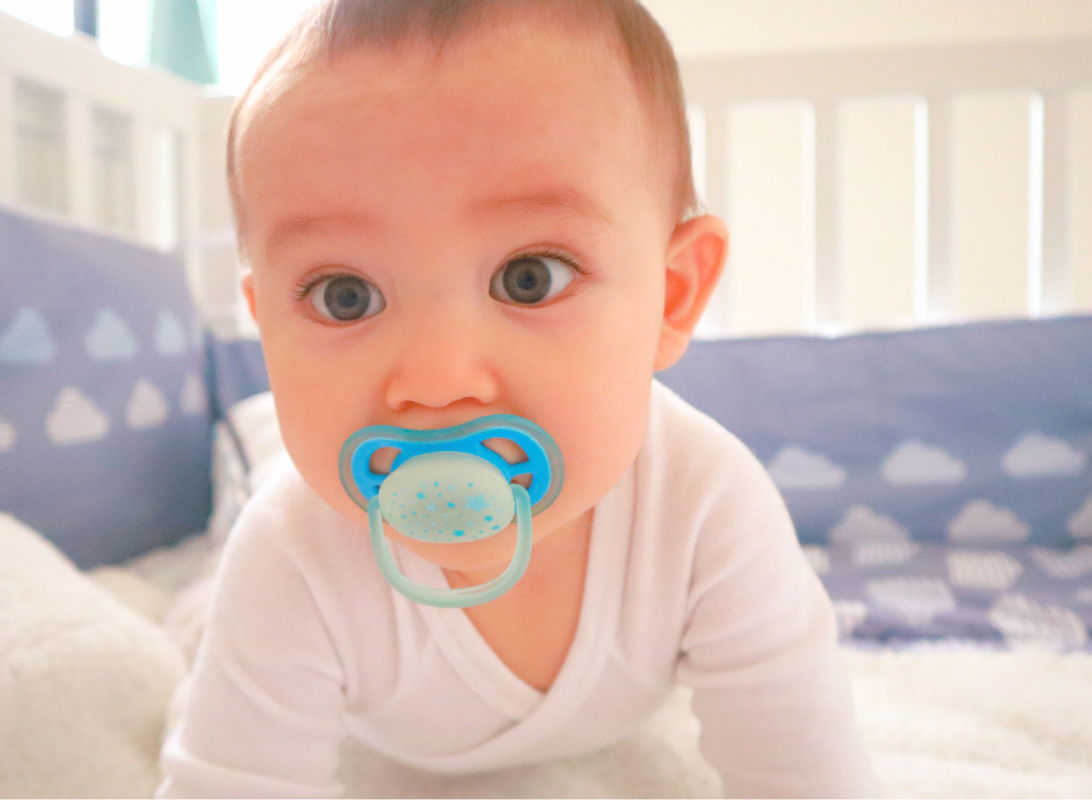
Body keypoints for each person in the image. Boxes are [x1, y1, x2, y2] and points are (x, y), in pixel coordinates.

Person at [157, 0, 878, 796]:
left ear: (671, 295)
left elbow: (805, 771)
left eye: (528, 279)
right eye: (343, 296)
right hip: (263, 559)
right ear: (265, 330)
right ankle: (239, 474)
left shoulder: (706, 509)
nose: (435, 381)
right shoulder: (294, 551)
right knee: (213, 603)